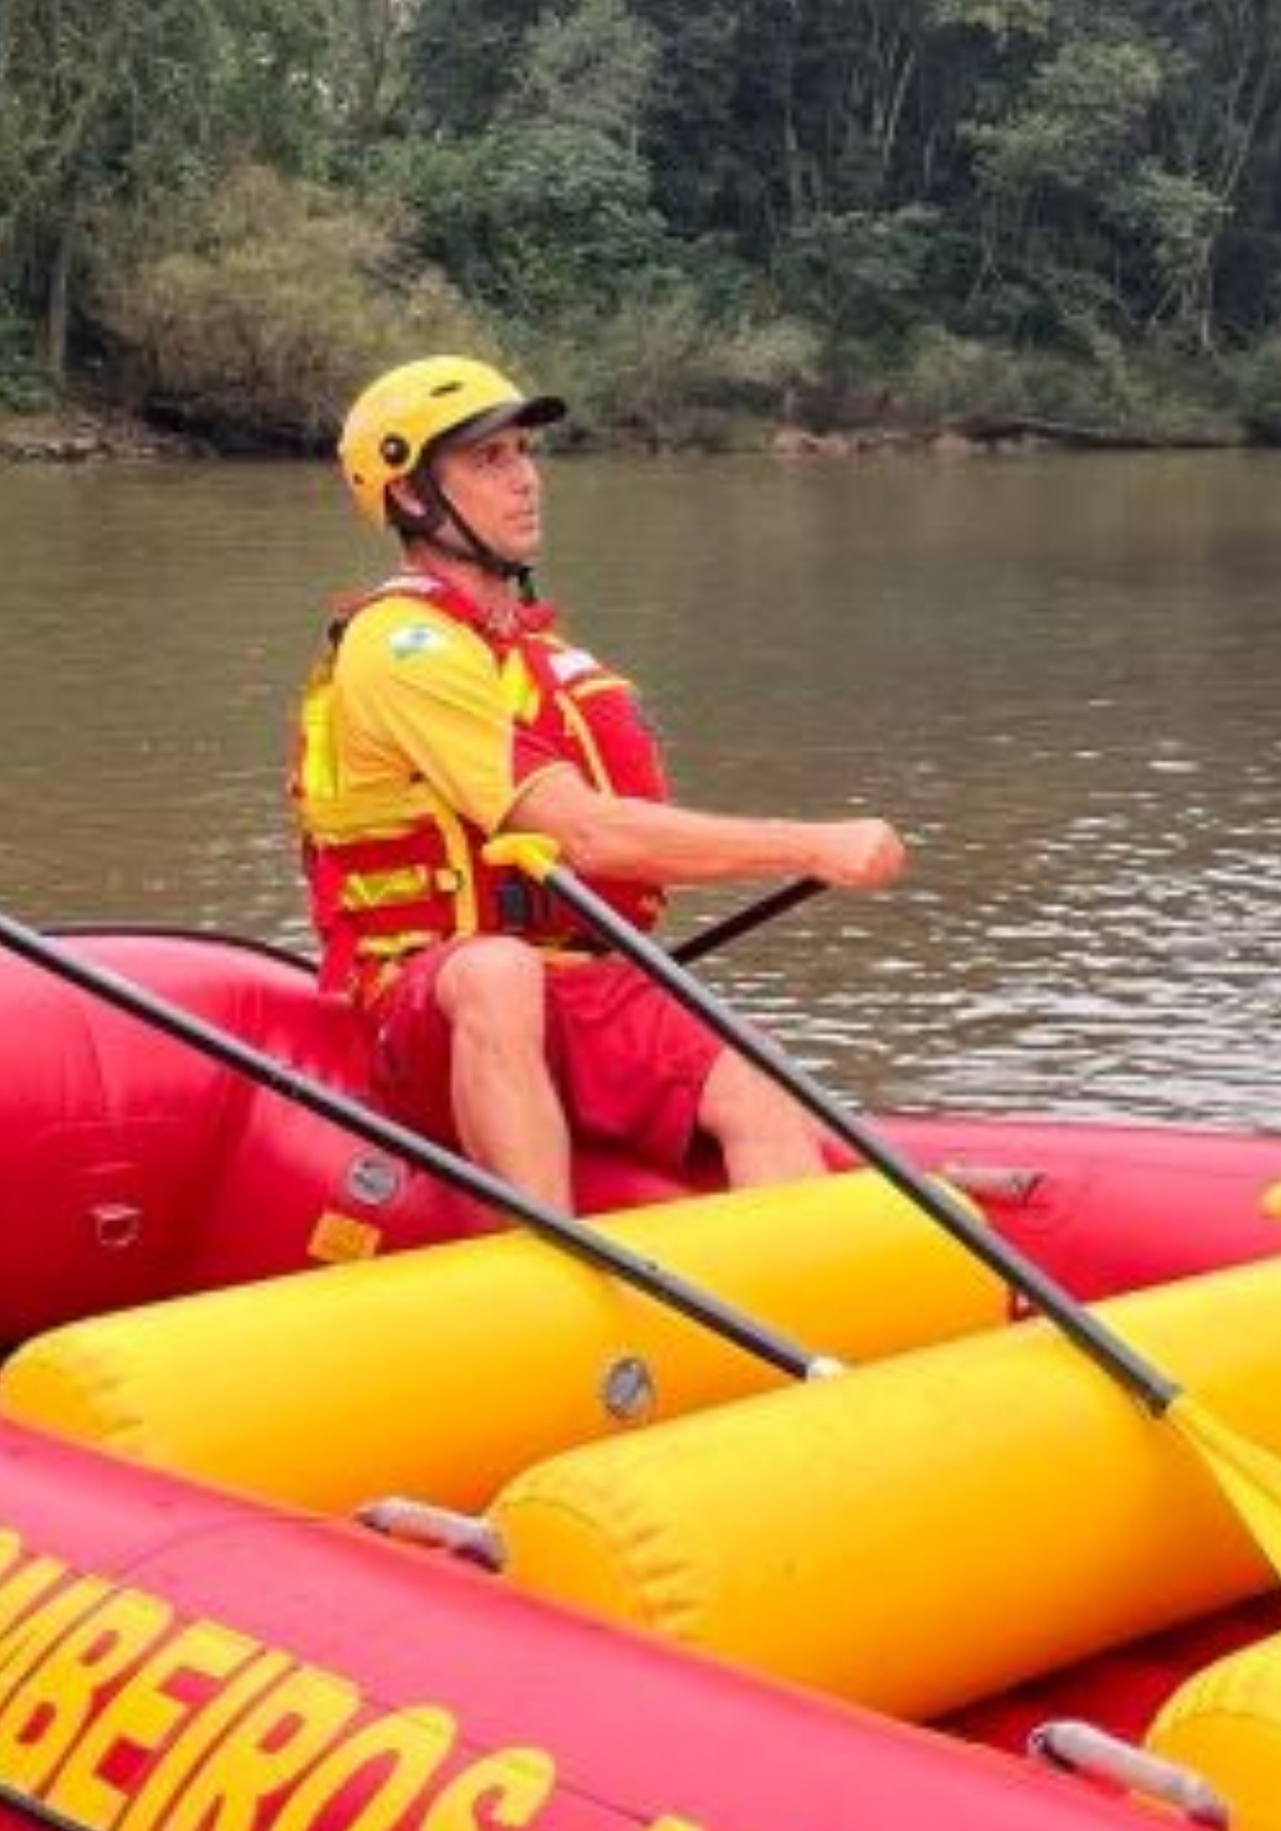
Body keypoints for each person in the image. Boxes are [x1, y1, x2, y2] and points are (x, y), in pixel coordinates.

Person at [292, 353, 903, 1205]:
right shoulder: (401, 648)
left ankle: (811, 1277)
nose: (525, 479)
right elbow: (581, 832)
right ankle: (543, 1247)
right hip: (424, 1006)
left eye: (523, 452)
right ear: (410, 496)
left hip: (564, 985)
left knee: (756, 1082)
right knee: (498, 971)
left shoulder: (534, 654)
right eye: (488, 460)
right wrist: (810, 846)